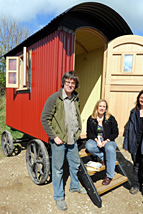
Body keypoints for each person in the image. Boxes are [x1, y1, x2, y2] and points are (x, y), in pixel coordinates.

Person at [40, 71, 86, 211]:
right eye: (68, 82)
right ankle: (59, 197)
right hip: (59, 141)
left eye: (73, 83)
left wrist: (78, 132)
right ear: (63, 83)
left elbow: (76, 116)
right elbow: (44, 118)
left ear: (75, 85)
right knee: (58, 170)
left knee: (75, 164)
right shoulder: (55, 98)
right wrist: (54, 137)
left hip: (73, 139)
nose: (70, 85)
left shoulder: (76, 98)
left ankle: (75, 186)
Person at [85, 99, 119, 185]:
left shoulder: (110, 118)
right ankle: (104, 158)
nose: (102, 108)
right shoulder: (91, 119)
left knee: (110, 148)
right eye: (100, 106)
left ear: (106, 108)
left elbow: (115, 132)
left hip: (108, 140)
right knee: (88, 145)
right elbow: (89, 133)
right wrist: (96, 140)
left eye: (104, 106)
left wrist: (106, 141)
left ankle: (109, 175)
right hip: (97, 139)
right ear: (97, 107)